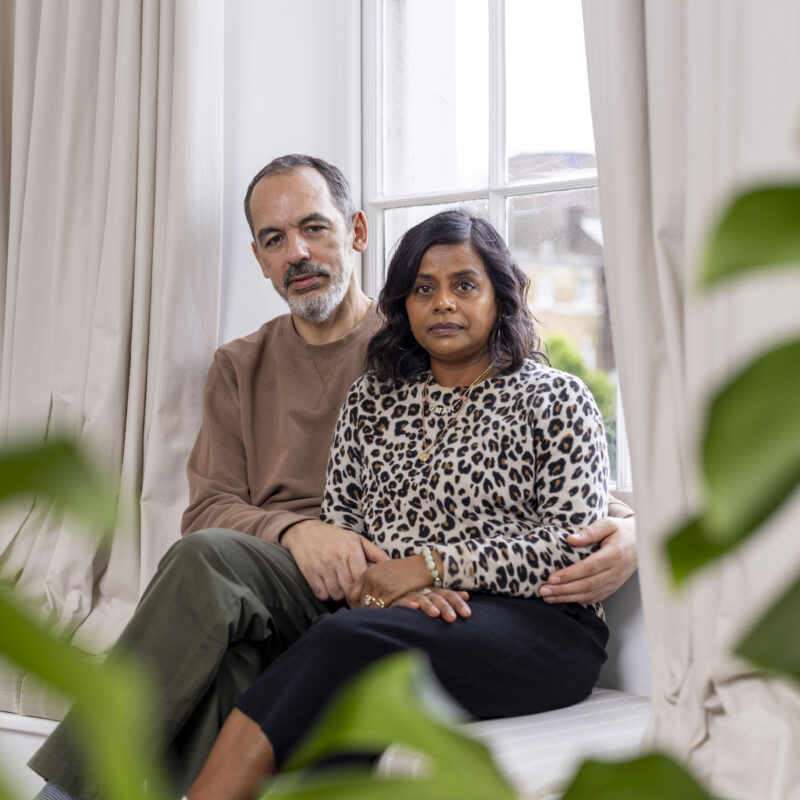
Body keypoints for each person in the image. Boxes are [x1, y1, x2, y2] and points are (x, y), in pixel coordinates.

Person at [31, 156, 635, 800]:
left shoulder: (456, 362)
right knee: (210, 565)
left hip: (415, 598)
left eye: (314, 228)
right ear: (260, 259)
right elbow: (210, 510)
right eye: (274, 239)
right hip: (312, 583)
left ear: (356, 232)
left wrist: (632, 528)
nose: (298, 252)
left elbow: (568, 519)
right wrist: (303, 535)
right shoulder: (306, 379)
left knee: (268, 659)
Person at [186, 209, 614, 800]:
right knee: (346, 671)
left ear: (500, 296)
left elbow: (569, 550)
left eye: (464, 285)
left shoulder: (556, 398)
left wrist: (430, 568)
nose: (442, 303)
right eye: (423, 288)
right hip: (396, 615)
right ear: (402, 305)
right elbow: (342, 528)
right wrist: (389, 588)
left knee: (345, 646)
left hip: (541, 631)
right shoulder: (371, 400)